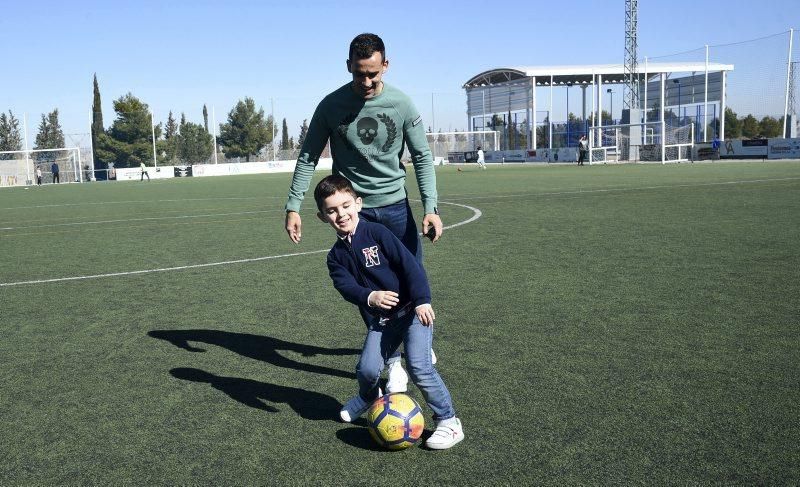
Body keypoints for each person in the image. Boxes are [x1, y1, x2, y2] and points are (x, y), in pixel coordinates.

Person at [284, 33, 443, 394]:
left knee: (409, 276)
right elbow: (309, 155)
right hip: (353, 212)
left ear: (385, 65)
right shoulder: (330, 106)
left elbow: (421, 157)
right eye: (359, 74)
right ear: (348, 68)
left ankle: (417, 344)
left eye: (373, 73)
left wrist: (430, 207)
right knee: (369, 290)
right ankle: (391, 361)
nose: (367, 81)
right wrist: (293, 205)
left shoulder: (401, 104)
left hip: (396, 209)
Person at [314, 175, 464, 449]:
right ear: (322, 216)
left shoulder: (378, 233)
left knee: (420, 367)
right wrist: (370, 296)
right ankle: (370, 398)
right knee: (367, 370)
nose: (341, 214)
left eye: (346, 205)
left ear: (358, 203)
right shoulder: (335, 256)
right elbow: (344, 286)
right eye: (332, 210)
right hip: (383, 322)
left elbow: (410, 266)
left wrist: (421, 300)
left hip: (413, 312)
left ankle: (449, 421)